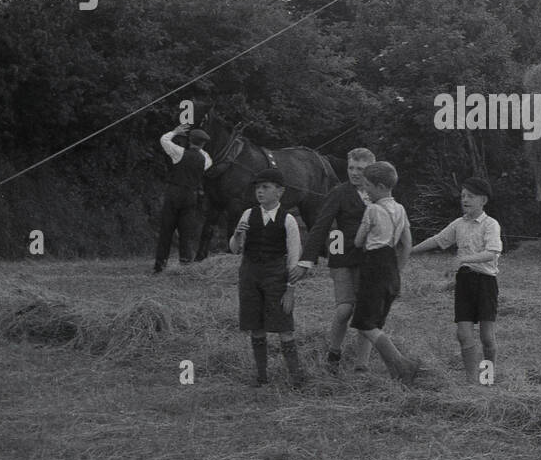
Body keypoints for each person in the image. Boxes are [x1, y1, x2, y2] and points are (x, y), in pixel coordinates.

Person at [289, 147, 375, 373]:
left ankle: (362, 365)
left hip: (371, 261)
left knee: (366, 311)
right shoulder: (338, 193)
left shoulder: (379, 194)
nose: (355, 173)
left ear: (371, 170)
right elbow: (320, 226)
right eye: (351, 168)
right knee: (345, 309)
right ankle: (334, 352)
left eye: (361, 169)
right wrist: (305, 261)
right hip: (343, 259)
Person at [411, 176, 502, 385]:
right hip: (464, 283)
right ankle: (472, 381)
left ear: (483, 200)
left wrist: (463, 259)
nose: (465, 200)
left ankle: (487, 377)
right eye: (463, 196)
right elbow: (438, 239)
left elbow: (492, 252)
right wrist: (411, 250)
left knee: (487, 337)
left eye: (471, 196)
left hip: (486, 283)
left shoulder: (491, 225)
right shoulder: (459, 224)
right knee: (463, 334)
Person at [229, 167, 305, 387]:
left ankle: (296, 379)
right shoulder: (248, 214)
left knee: (284, 326)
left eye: (266, 187)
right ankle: (261, 377)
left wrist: (290, 290)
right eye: (258, 188)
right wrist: (236, 235)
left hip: (276, 275)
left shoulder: (288, 220)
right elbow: (234, 249)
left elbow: (294, 257)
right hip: (250, 274)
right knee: (255, 325)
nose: (260, 192)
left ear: (279, 191)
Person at [351, 161, 419, 384]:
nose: (365, 190)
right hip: (391, 268)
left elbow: (358, 241)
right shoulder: (400, 209)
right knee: (376, 322)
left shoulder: (372, 209)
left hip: (373, 267)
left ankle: (402, 363)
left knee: (364, 323)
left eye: (368, 185)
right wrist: (397, 270)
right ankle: (396, 375)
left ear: (380, 186)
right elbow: (407, 244)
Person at [153, 123, 212, 273]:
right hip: (191, 196)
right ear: (203, 143)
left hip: (174, 193)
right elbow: (206, 159)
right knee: (186, 232)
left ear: (189, 140)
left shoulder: (179, 153)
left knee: (166, 230)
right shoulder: (205, 158)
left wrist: (175, 132)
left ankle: (160, 266)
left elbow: (163, 140)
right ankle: (185, 265)